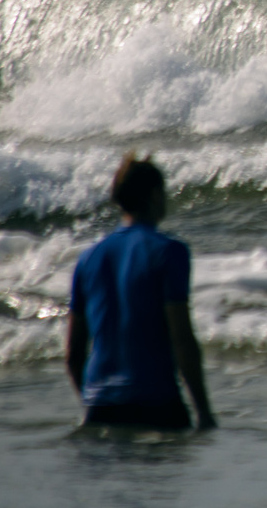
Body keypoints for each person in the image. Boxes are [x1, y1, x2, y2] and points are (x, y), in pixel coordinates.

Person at [66, 154, 216, 431]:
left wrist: (91, 403)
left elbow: (74, 353)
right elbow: (182, 338)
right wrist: (204, 413)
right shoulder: (169, 251)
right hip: (156, 405)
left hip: (100, 409)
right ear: (154, 195)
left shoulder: (87, 260)